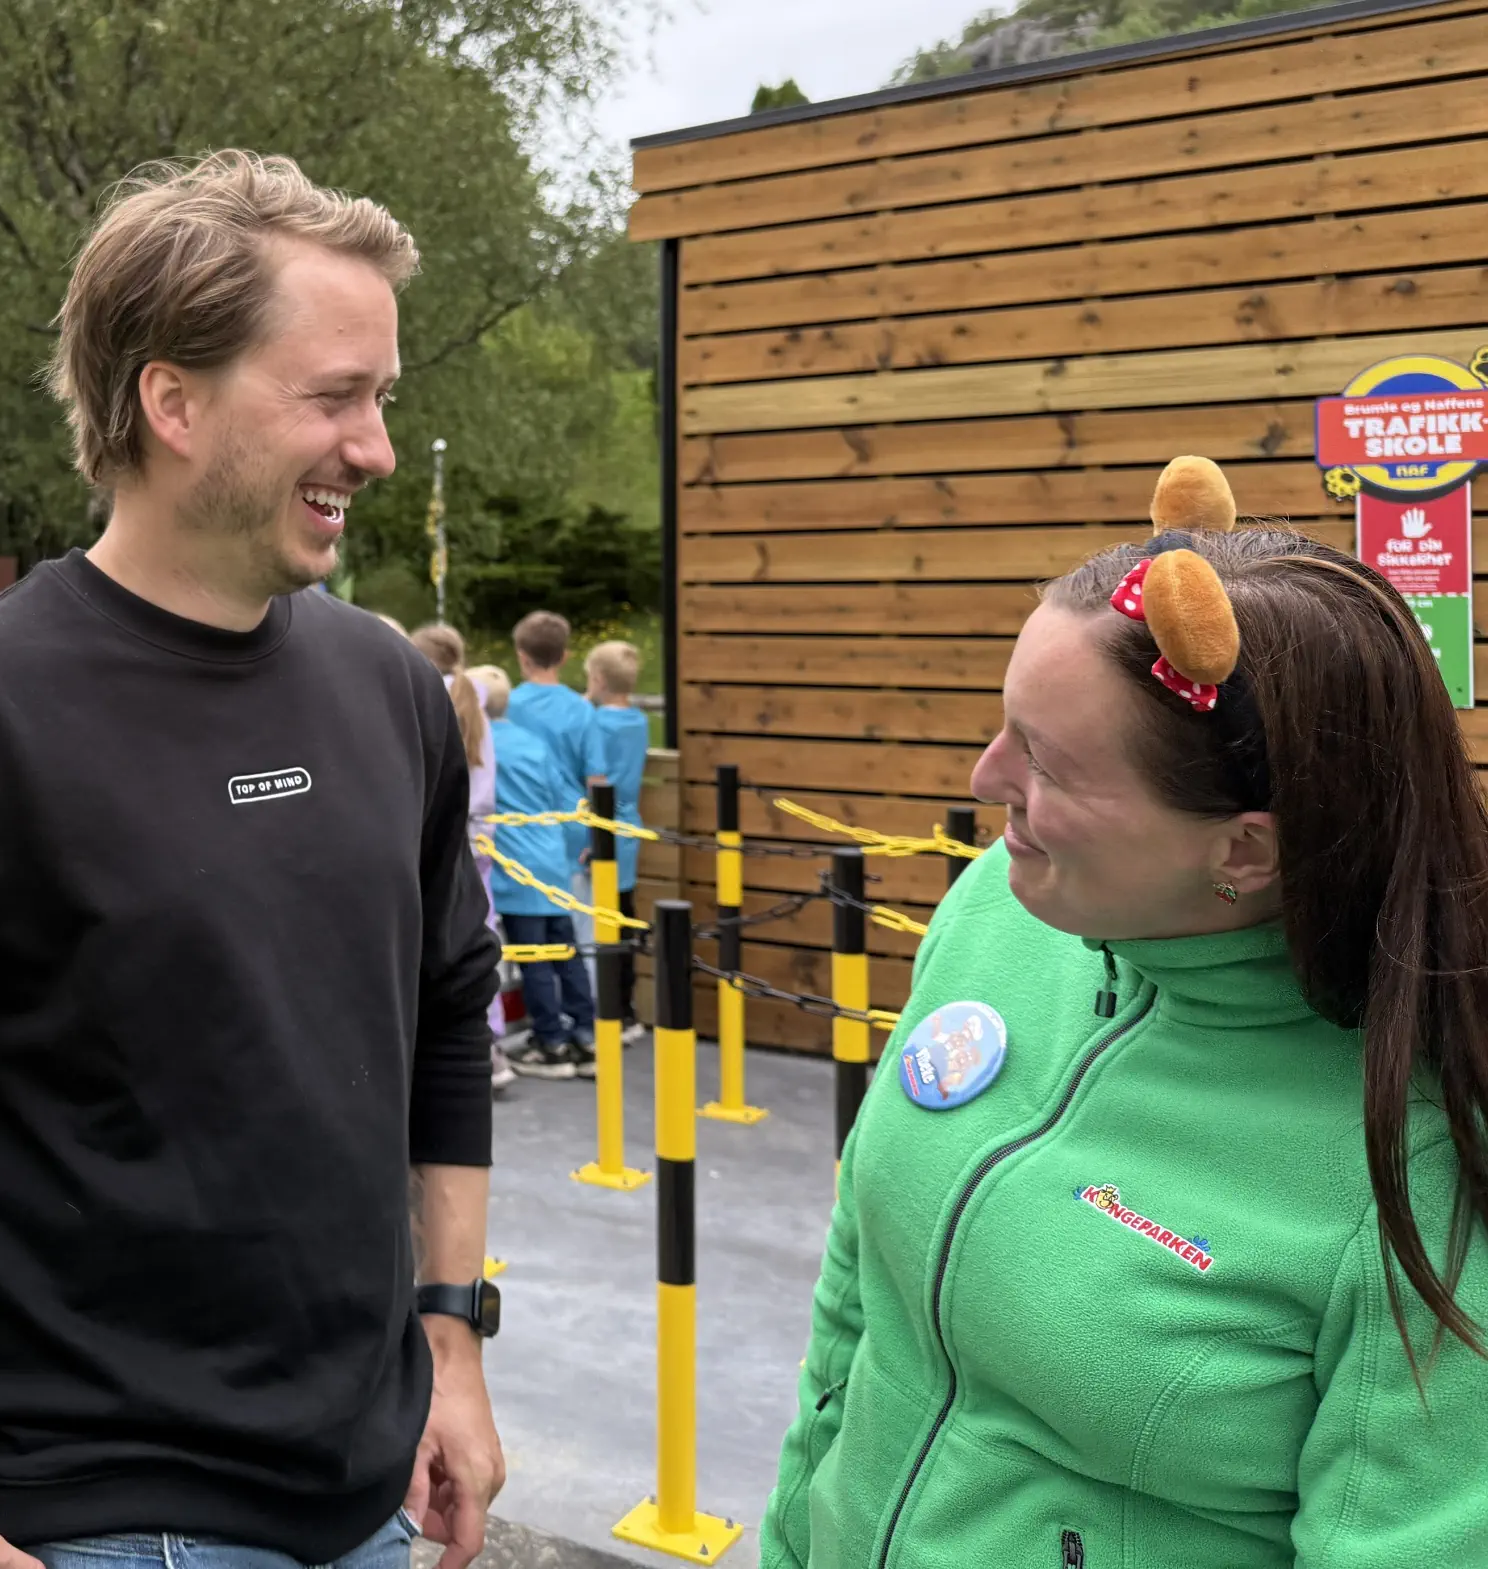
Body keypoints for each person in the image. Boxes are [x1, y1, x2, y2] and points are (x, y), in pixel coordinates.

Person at [0, 151, 505, 1569]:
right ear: (172, 402)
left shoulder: (391, 692)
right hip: (77, 1517)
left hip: (365, 1502)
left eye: (382, 398)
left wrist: (450, 1339)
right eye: (333, 397)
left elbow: (447, 1017)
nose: (375, 449)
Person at [764, 457, 1488, 1569]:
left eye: (1045, 762)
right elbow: (859, 1310)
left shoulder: (1424, 1166)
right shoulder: (998, 912)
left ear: (1243, 851)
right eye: (1004, 725)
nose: (984, 778)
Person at [475, 666, 598, 1080]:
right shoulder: (533, 742)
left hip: (516, 867)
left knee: (535, 960)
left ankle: (551, 1042)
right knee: (566, 951)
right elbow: (564, 796)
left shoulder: (482, 746)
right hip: (551, 860)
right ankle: (586, 1033)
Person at [413, 625, 514, 1094]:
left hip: (444, 834)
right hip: (480, 837)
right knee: (479, 932)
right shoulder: (473, 699)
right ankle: (491, 1039)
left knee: (441, 937)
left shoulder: (427, 697)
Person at [506, 610, 607, 913]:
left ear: (521, 656)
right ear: (564, 657)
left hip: (519, 829)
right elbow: (596, 780)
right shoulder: (582, 710)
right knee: (575, 922)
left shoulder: (507, 706)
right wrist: (598, 838)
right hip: (571, 830)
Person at [583, 640, 651, 1043]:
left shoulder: (597, 723)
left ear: (598, 679)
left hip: (603, 826)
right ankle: (628, 1008)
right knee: (624, 914)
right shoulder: (639, 721)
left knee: (602, 922)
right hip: (630, 827)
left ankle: (611, 1010)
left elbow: (594, 776)